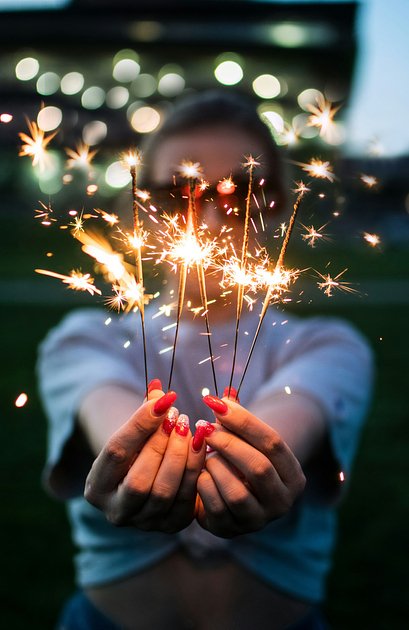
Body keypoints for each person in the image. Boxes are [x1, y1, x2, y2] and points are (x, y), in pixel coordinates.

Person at [38, 90, 373, 629]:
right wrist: (138, 469)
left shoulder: (328, 346)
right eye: (179, 194)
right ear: (140, 210)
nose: (212, 219)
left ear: (280, 206)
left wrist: (236, 472)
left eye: (243, 194)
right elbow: (123, 444)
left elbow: (261, 457)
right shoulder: (82, 341)